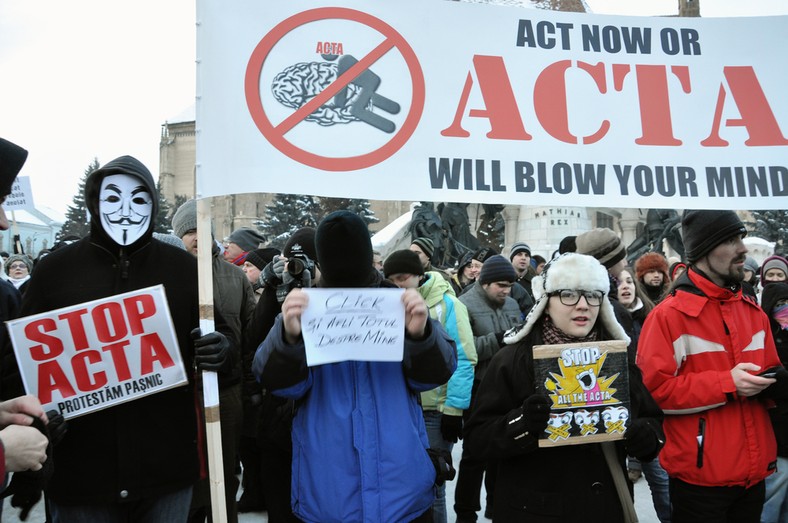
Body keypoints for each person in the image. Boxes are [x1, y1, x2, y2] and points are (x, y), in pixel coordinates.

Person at [2, 155, 233, 522]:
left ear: (153, 206)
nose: (126, 209)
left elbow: (223, 351)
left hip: (166, 472)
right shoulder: (53, 271)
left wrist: (221, 351)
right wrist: (36, 421)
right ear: (95, 203)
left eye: (139, 199)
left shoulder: (184, 270)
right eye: (112, 198)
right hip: (81, 475)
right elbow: (18, 367)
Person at [253, 211, 457, 523]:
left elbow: (436, 373)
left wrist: (422, 333)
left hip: (401, 495)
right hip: (329, 496)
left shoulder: (399, 304)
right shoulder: (305, 309)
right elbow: (276, 383)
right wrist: (288, 337)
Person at [463, 253, 665, 522]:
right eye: (569, 294)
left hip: (604, 507)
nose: (583, 306)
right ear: (546, 303)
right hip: (534, 511)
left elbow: (652, 421)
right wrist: (522, 423)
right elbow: (477, 440)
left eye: (593, 295)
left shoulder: (616, 357)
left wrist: (645, 438)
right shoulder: (513, 359)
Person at [638, 210, 786, 522]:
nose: (743, 249)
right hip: (700, 483)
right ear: (705, 251)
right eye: (731, 240)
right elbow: (655, 393)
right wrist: (727, 384)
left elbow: (769, 376)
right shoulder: (668, 317)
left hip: (756, 474)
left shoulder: (754, 312)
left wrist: (780, 384)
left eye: (741, 238)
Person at [172, 198, 257, 523]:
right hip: (181, 395)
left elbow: (249, 339)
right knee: (187, 479)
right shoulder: (169, 274)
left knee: (223, 476)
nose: (196, 237)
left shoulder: (236, 279)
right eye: (189, 231)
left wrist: (249, 389)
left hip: (226, 393)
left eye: (202, 229)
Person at [384, 249, 477, 523]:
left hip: (436, 411)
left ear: (419, 276)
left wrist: (454, 409)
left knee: (433, 484)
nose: (398, 285)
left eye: (403, 278)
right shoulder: (387, 306)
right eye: (391, 280)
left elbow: (464, 357)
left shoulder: (448, 305)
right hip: (401, 408)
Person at [455, 254, 522, 522]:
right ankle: (466, 511)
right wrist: (496, 340)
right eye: (501, 286)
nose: (506, 291)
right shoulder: (464, 305)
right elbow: (462, 348)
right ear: (485, 283)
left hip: (508, 385)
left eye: (510, 286)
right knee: (474, 453)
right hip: (478, 385)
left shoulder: (513, 304)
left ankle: (497, 505)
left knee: (502, 449)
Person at [617, 267, 671, 522]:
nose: (625, 286)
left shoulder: (651, 316)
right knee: (620, 487)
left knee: (660, 478)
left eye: (629, 281)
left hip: (647, 408)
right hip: (617, 410)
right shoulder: (604, 321)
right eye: (619, 282)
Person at [761, 282, 788, 523]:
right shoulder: (763, 342)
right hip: (777, 438)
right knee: (771, 500)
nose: (785, 310)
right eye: (780, 305)